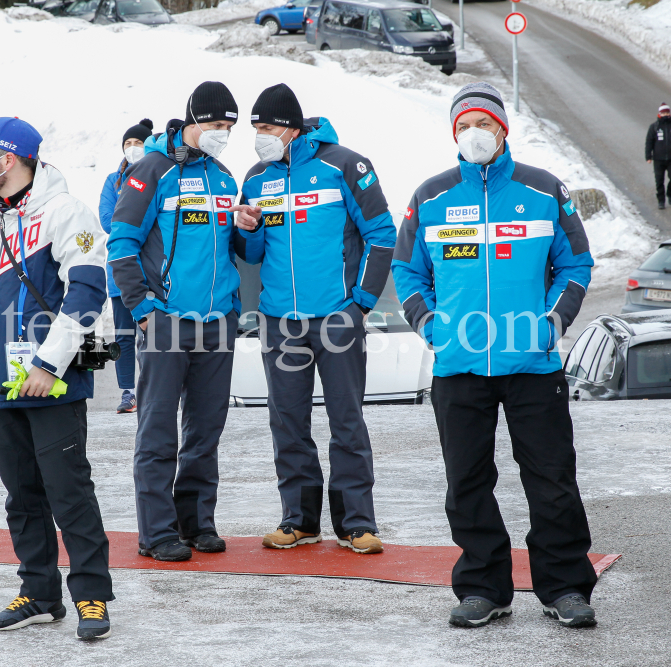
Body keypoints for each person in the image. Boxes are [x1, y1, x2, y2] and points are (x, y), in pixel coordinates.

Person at [392, 82, 599, 629]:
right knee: (466, 482)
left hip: (532, 366)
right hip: (458, 367)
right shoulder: (431, 197)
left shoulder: (543, 190)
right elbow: (407, 270)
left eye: (483, 124)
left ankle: (566, 587)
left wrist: (551, 322)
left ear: (503, 130)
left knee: (552, 480)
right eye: (463, 127)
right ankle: (484, 586)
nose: (473, 135)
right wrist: (431, 325)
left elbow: (577, 264)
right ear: (453, 134)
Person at [0, 116, 113, 640]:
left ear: (11, 158)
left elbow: (87, 293)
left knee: (69, 494)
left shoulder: (67, 212)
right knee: (21, 496)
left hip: (52, 383)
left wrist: (48, 362)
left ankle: (91, 596)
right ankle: (39, 593)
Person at [233, 84, 395, 555]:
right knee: (288, 423)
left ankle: (357, 523)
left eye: (265, 128)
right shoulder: (257, 178)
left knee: (347, 421)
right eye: (255, 129)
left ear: (291, 127)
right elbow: (250, 255)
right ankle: (299, 519)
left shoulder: (344, 165)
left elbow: (381, 234)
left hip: (337, 317)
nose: (259, 137)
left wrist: (360, 302)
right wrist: (249, 230)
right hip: (280, 320)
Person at [107, 82, 240, 562]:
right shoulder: (152, 170)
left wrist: (250, 224)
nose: (222, 135)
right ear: (191, 122)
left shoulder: (224, 176)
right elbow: (120, 243)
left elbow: (231, 250)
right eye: (216, 126)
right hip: (165, 320)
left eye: (229, 127)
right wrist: (143, 310)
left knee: (205, 432)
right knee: (159, 430)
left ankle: (196, 521)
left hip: (217, 322)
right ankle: (157, 531)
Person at [99, 118, 154, 413]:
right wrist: (138, 222)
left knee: (155, 333)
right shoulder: (113, 181)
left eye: (138, 143)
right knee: (124, 335)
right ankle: (127, 392)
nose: (133, 148)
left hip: (153, 273)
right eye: (128, 144)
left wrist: (132, 221)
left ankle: (154, 388)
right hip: (120, 271)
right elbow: (108, 220)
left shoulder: (160, 174)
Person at [645, 102, 671, 210]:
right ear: (660, 114)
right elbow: (649, 142)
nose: (666, 114)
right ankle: (661, 201)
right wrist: (648, 156)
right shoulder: (654, 127)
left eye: (667, 112)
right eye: (664, 113)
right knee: (659, 181)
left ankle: (670, 193)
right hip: (658, 159)